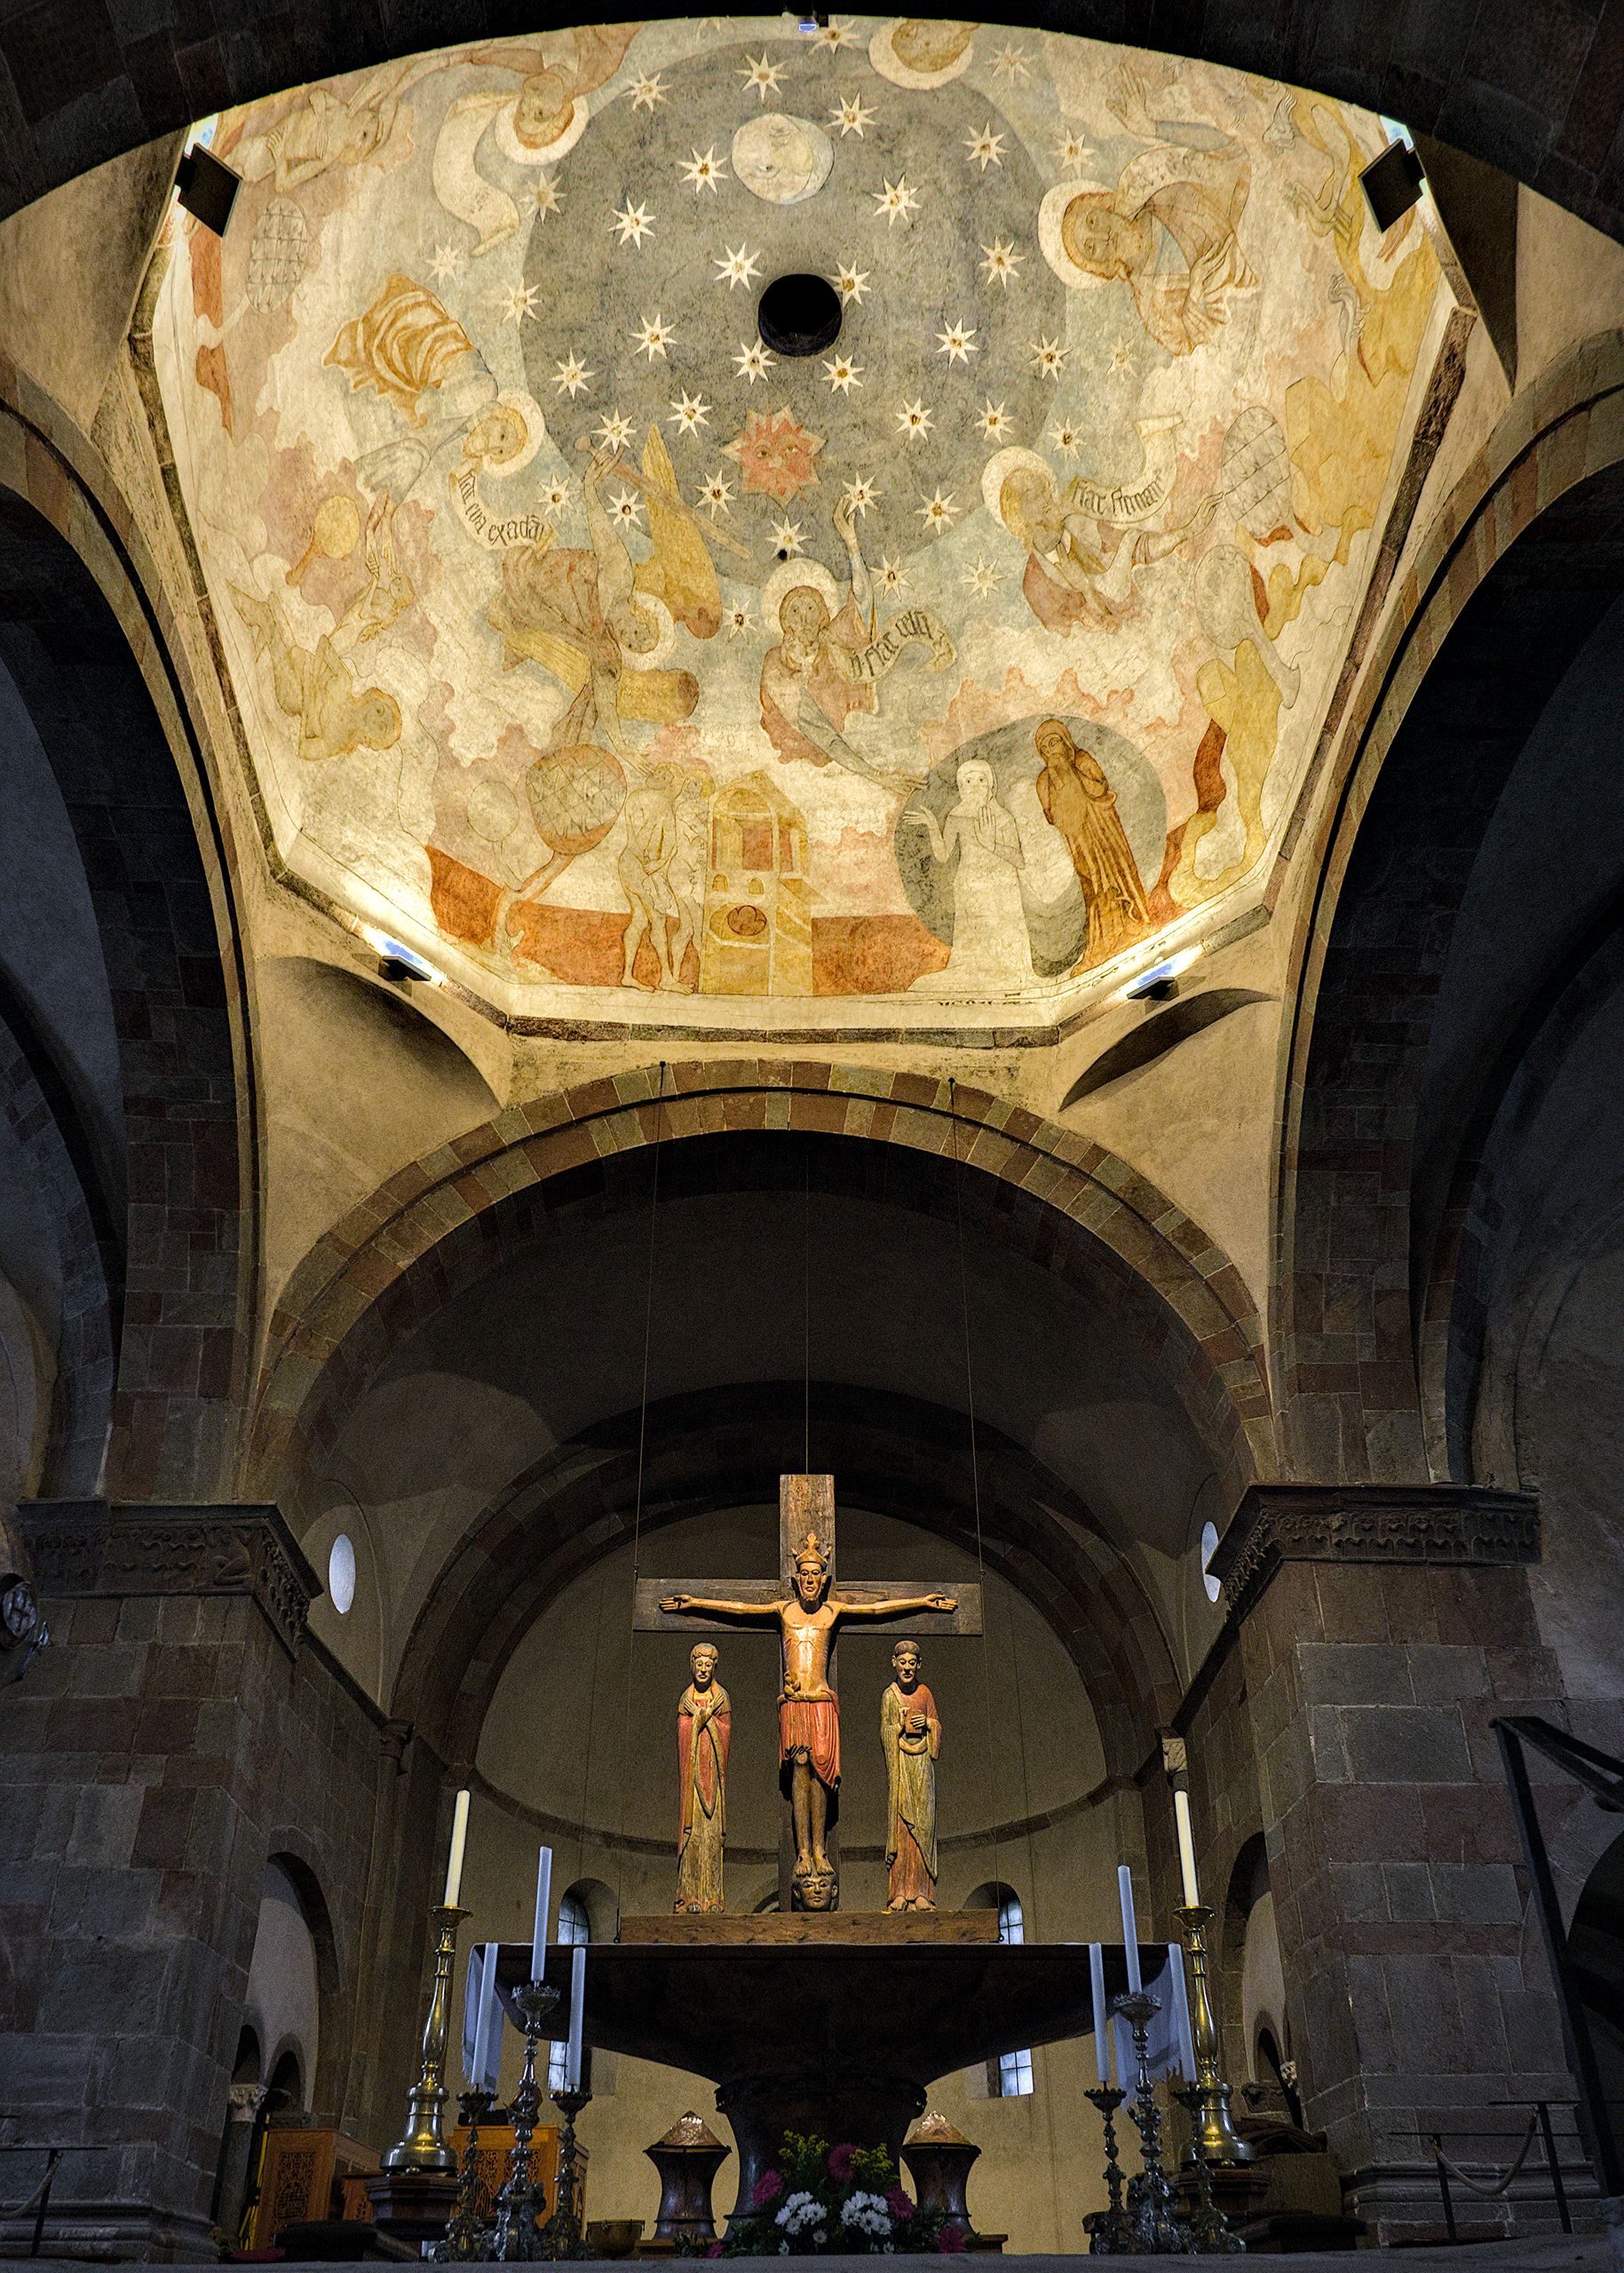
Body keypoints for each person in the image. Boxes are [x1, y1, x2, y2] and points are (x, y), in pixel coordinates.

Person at [659, 1539, 955, 1895]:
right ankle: (802, 1852)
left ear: (824, 1579)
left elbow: (876, 1609)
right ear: (796, 1579)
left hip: (822, 1702)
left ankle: (819, 1849)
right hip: (795, 1703)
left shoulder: (832, 1612)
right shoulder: (784, 1611)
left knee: (821, 1777)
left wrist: (922, 1602)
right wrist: (696, 1603)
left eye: (816, 1574)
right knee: (799, 1769)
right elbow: (740, 1608)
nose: (810, 1580)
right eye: (804, 1574)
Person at [904, 759, 1035, 995]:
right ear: (961, 788)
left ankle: (1009, 974)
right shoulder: (956, 817)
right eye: (968, 781)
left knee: (1001, 943)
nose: (975, 786)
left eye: (981, 780)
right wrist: (933, 826)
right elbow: (943, 855)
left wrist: (991, 845)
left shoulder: (1003, 818)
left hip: (1000, 888)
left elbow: (1019, 860)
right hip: (968, 886)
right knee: (973, 949)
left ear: (991, 787)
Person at [1033, 719, 1151, 969]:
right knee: (1093, 885)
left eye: (1053, 743)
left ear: (1066, 742)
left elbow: (1100, 789)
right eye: (1044, 748)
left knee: (1115, 874)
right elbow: (1050, 815)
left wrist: (1071, 774)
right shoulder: (1044, 780)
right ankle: (1103, 939)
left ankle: (1133, 920)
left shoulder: (1082, 760)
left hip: (1103, 830)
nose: (1050, 751)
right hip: (1078, 840)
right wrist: (1061, 784)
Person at [881, 1640, 940, 1912]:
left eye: (912, 1663)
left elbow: (936, 1725)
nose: (907, 1668)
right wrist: (898, 1727)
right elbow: (885, 1732)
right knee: (903, 1828)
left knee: (924, 1827)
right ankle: (899, 1892)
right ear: (894, 1663)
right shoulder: (889, 1696)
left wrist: (927, 1723)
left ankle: (923, 1893)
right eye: (902, 1662)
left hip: (922, 1766)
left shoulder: (925, 1693)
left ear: (919, 1665)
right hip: (901, 1767)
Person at [676, 1643, 731, 1915]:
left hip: (714, 1781)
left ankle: (713, 1897)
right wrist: (700, 1718)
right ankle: (689, 1896)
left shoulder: (722, 1698)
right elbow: (684, 1734)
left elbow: (725, 1732)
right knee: (694, 1837)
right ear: (691, 1666)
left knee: (712, 1837)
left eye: (708, 1665)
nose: (703, 1670)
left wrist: (707, 1718)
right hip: (693, 1782)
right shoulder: (685, 1700)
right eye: (699, 1664)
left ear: (715, 1668)